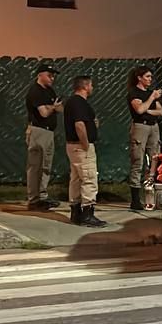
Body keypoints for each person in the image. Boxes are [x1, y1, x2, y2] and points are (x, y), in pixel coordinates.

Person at [63, 75, 106, 227]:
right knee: (88, 178)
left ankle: (75, 212)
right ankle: (88, 214)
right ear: (85, 86)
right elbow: (79, 125)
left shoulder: (71, 103)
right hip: (81, 146)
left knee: (75, 179)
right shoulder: (79, 103)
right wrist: (86, 144)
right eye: (91, 85)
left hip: (72, 146)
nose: (92, 88)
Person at [24, 65, 63, 211]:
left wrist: (52, 107)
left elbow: (60, 108)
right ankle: (33, 199)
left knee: (46, 166)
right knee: (35, 166)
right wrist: (52, 107)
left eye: (53, 75)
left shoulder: (50, 91)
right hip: (38, 131)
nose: (52, 78)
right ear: (40, 75)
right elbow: (44, 113)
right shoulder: (36, 91)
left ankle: (42, 196)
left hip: (49, 131)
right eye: (50, 75)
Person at [126, 66, 162, 211]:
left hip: (153, 127)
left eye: (151, 77)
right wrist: (151, 99)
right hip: (140, 127)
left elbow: (160, 111)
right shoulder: (134, 93)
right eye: (147, 76)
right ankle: (135, 199)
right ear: (139, 78)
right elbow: (139, 110)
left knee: (154, 160)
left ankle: (150, 197)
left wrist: (147, 107)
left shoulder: (149, 93)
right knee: (137, 161)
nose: (150, 79)